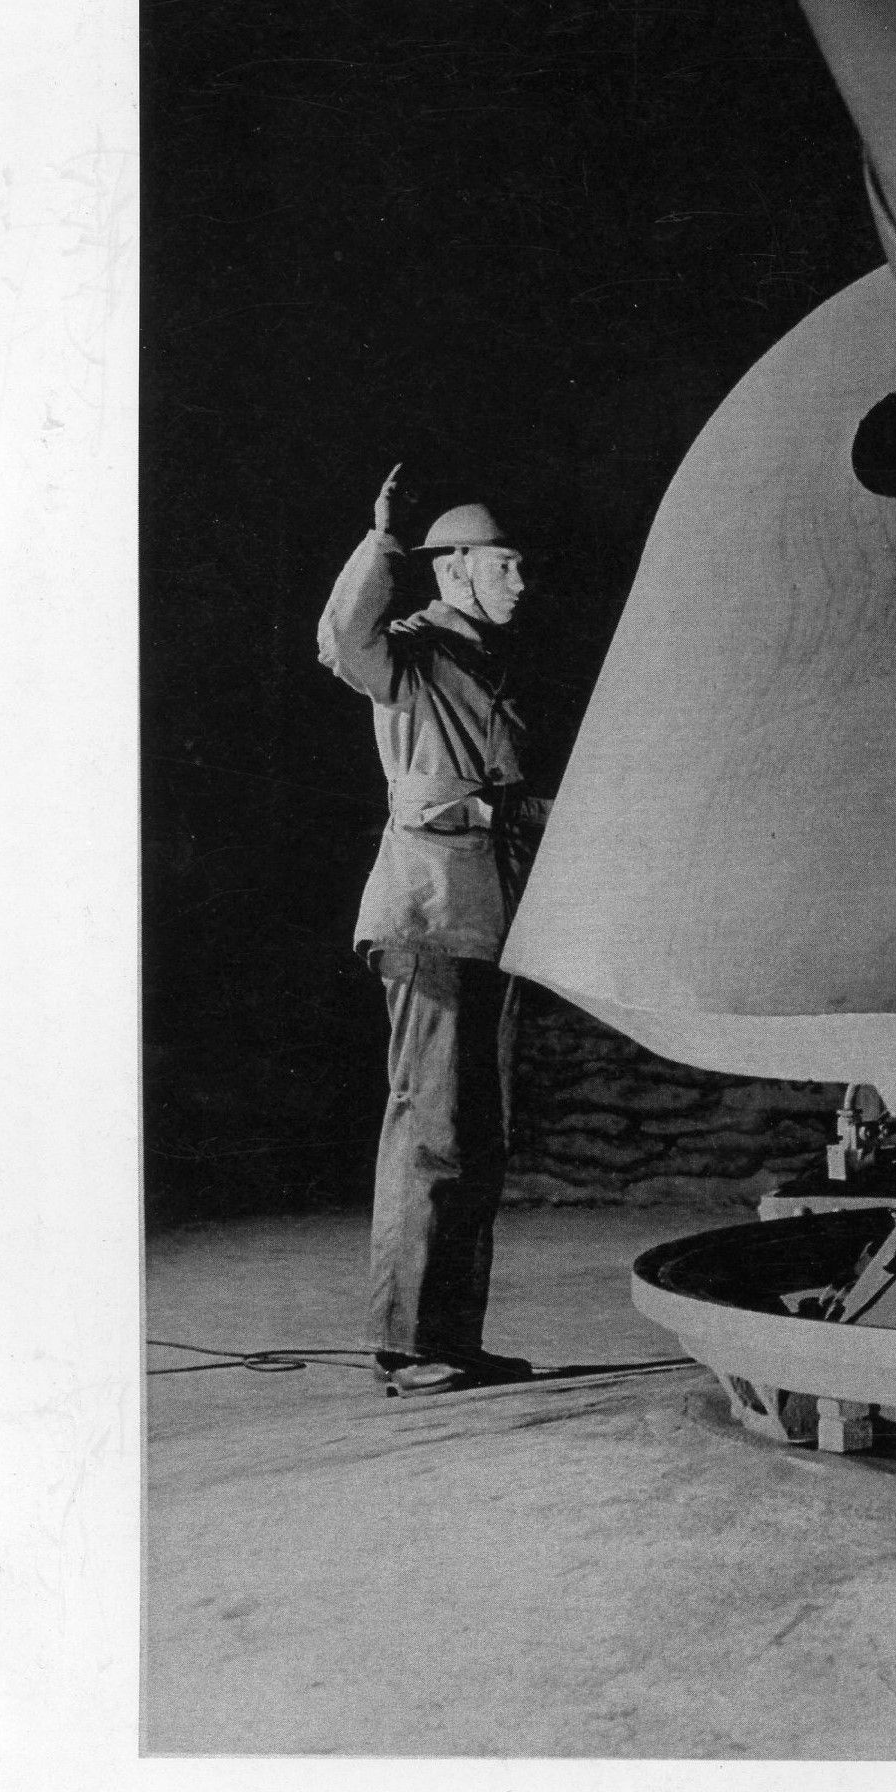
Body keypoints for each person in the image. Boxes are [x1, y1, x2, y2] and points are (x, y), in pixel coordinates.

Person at [317, 466, 546, 1394]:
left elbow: (514, 798)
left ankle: (451, 1337)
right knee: (432, 1128)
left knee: (477, 1138)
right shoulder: (408, 655)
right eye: (504, 566)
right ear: (452, 570)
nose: (521, 581)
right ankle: (409, 1343)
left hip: (487, 922)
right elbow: (342, 640)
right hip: (428, 914)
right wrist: (382, 544)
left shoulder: (496, 668)